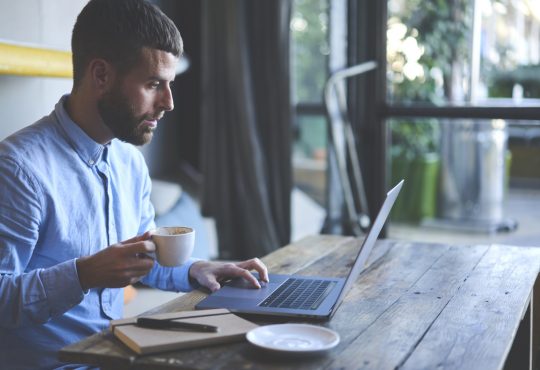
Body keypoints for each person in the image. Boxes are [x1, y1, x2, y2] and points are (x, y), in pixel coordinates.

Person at [0, 0, 268, 369]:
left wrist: (196, 270)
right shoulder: (18, 168)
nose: (169, 103)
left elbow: (140, 262)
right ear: (101, 76)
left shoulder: (129, 162)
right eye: (154, 84)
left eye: (170, 84)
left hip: (118, 357)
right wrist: (85, 274)